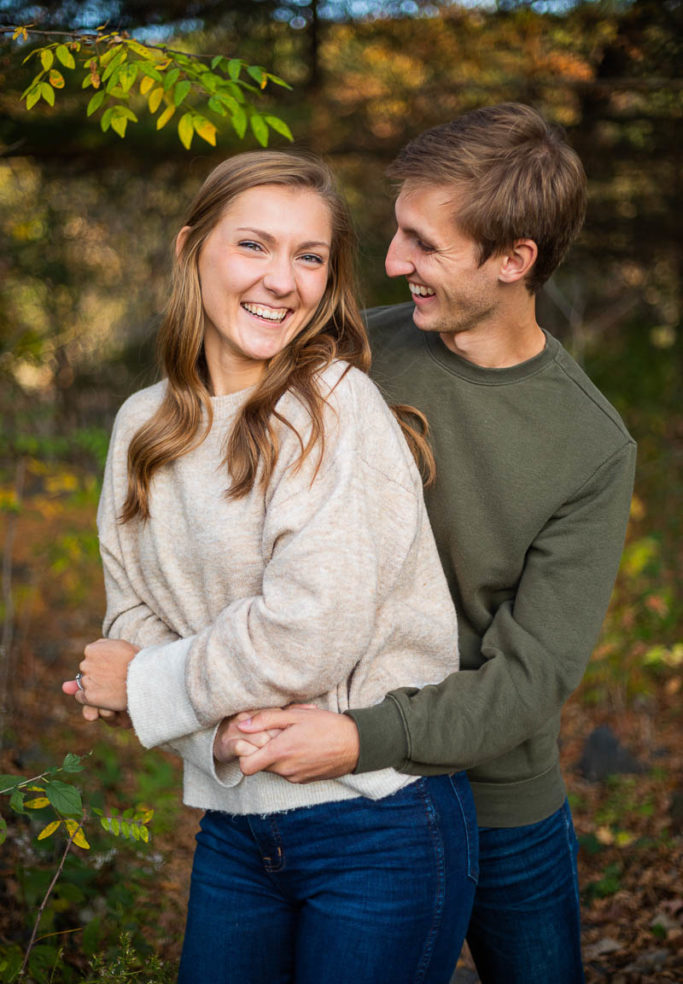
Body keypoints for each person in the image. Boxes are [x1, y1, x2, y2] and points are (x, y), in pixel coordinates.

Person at [217, 104, 637, 984]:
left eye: (423, 242)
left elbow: (528, 679)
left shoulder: (590, 445)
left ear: (513, 259)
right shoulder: (346, 351)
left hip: (495, 802)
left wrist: (357, 735)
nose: (395, 260)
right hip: (337, 796)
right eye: (397, 232)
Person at [62, 151, 480, 984]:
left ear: (328, 282)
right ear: (192, 251)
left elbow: (304, 635)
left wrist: (146, 685)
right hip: (236, 825)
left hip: (378, 822)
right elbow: (131, 610)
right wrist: (215, 721)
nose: (281, 281)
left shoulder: (331, 406)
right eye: (253, 245)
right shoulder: (142, 423)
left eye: (309, 257)